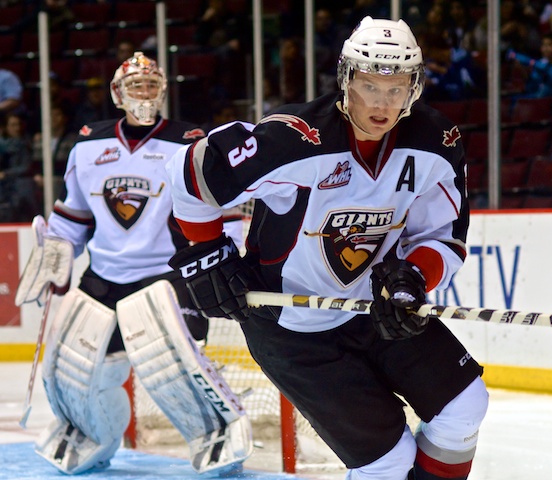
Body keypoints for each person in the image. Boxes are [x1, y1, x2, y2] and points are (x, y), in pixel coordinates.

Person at [166, 16, 489, 480]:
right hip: (290, 327)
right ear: (345, 78)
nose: (382, 102)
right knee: (389, 461)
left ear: (414, 88)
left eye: (395, 88)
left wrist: (412, 278)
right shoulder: (293, 139)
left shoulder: (436, 144)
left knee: (466, 405)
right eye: (369, 85)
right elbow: (190, 173)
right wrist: (205, 254)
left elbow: (443, 235)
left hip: (373, 311)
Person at [14, 52, 251, 475]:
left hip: (168, 274)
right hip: (104, 276)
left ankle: (219, 433)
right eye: (134, 86)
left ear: (163, 91)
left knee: (169, 363)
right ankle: (90, 434)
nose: (144, 93)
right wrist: (56, 254)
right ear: (117, 95)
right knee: (76, 368)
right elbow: (74, 216)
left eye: (151, 85)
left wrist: (225, 260)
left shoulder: (189, 143)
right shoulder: (88, 145)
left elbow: (223, 211)